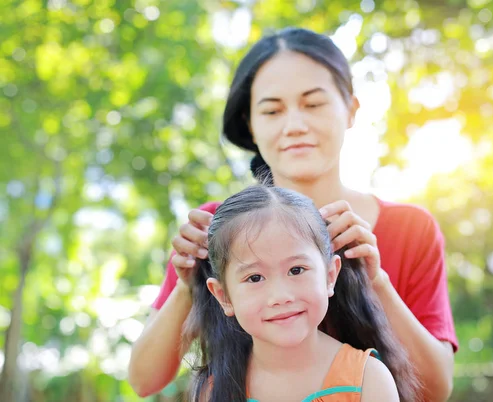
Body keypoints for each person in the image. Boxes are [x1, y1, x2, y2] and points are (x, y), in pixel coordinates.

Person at [128, 27, 457, 401]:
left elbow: (436, 390)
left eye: (313, 104)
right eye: (272, 110)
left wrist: (377, 280)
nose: (295, 126)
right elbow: (144, 381)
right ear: (251, 123)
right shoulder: (214, 230)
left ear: (350, 109)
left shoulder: (409, 229)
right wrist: (187, 287)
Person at [183, 185, 419, 401]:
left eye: (296, 270)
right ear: (224, 296)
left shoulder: (368, 380)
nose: (281, 296)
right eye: (255, 278)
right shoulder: (211, 391)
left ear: (329, 276)